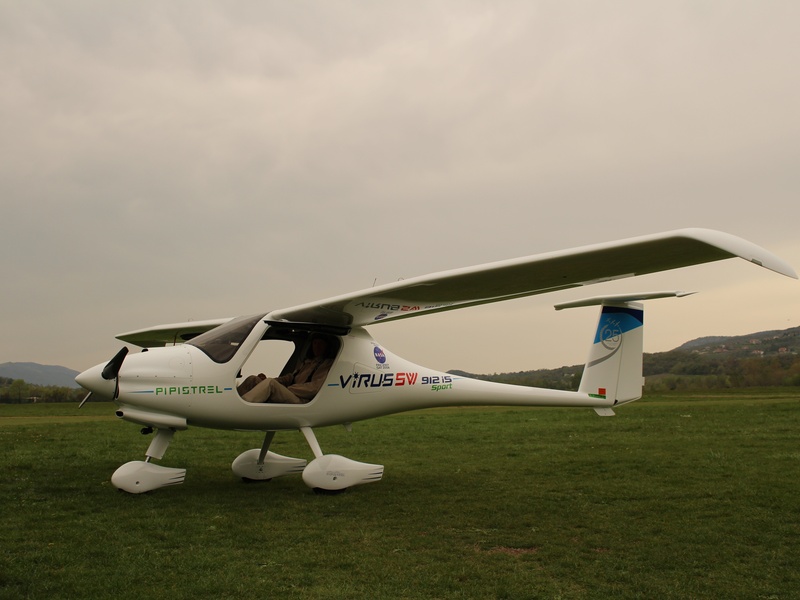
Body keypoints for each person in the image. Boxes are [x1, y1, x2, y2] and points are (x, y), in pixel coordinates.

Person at [239, 335, 335, 404]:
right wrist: (265, 381)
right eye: (315, 343)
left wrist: (288, 389)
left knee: (270, 383)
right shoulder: (307, 362)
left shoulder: (326, 364)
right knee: (253, 379)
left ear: (327, 346)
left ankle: (242, 406)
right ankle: (233, 401)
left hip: (301, 399)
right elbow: (289, 378)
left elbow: (314, 388)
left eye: (321, 344)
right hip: (291, 393)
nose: (317, 346)